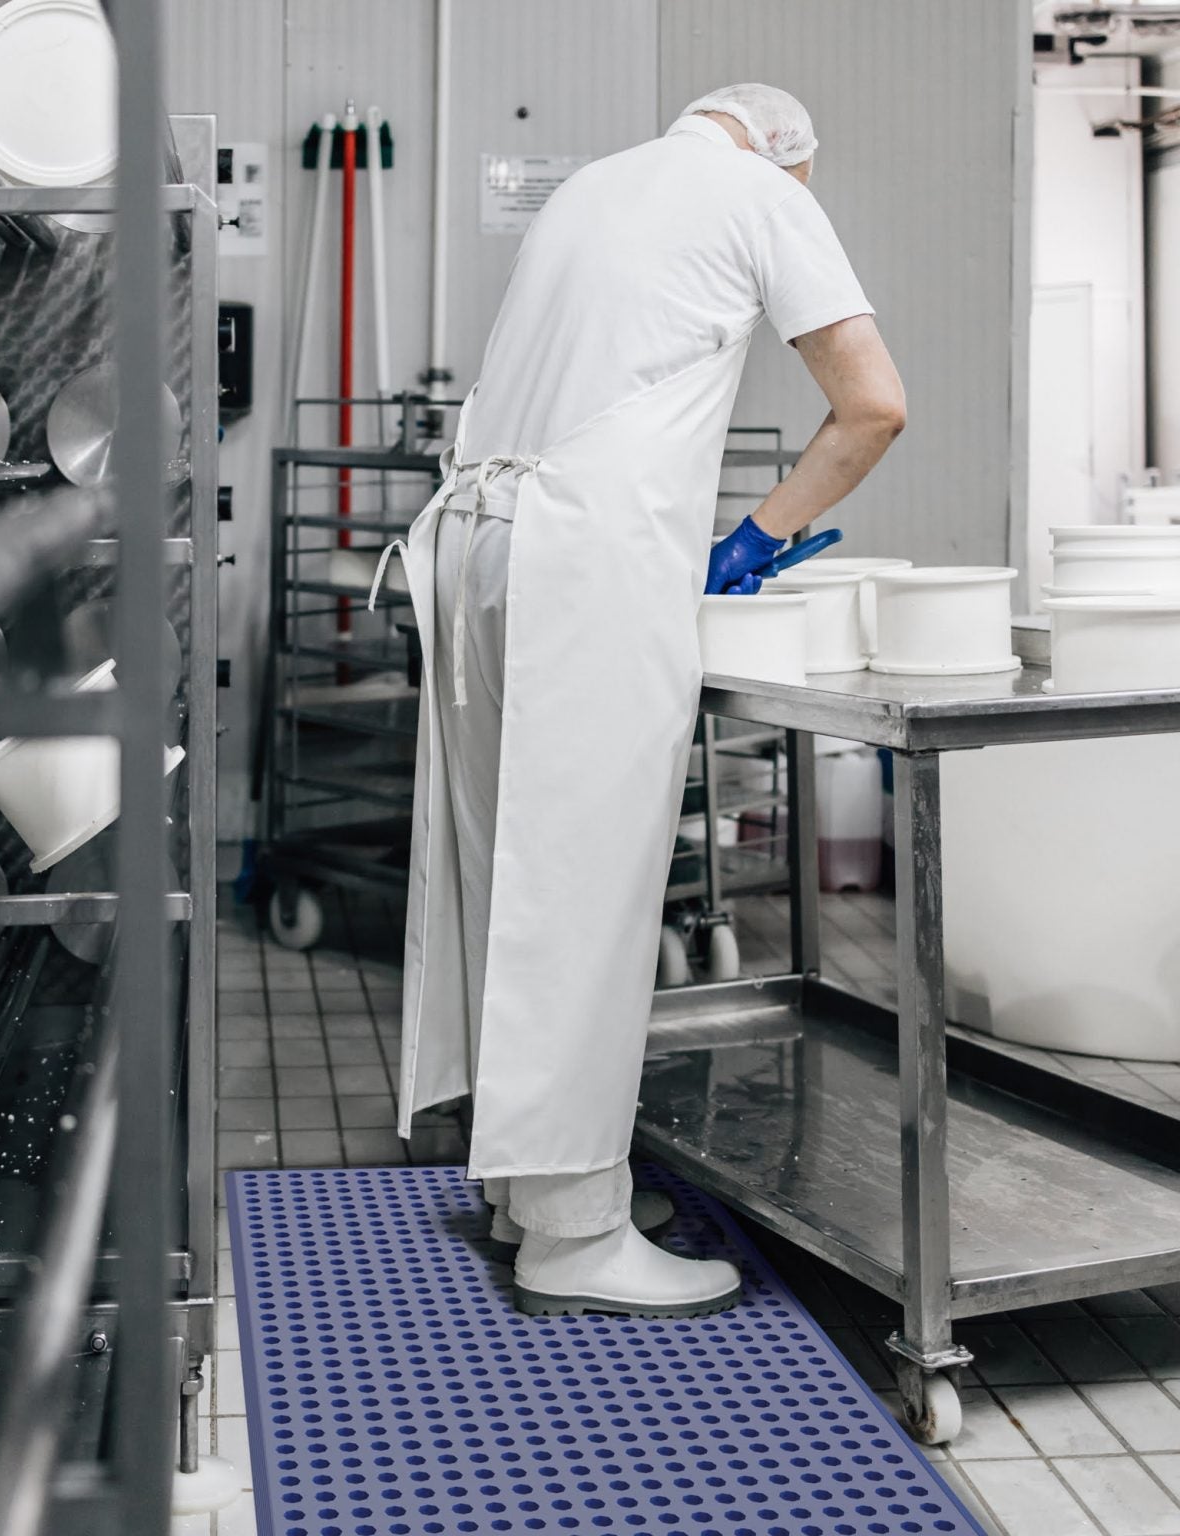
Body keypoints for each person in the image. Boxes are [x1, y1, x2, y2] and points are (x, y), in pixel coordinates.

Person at [384, 84, 906, 1319]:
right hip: (590, 564)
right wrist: (761, 534)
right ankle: (574, 1238)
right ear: (787, 151)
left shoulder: (590, 185)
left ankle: (527, 1190)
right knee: (587, 888)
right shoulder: (761, 192)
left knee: (506, 873)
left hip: (481, 546)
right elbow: (874, 404)